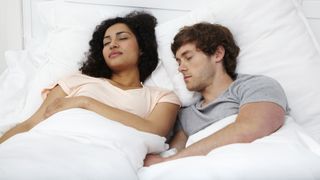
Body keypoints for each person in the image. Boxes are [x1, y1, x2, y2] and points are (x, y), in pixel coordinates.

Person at [0, 11, 180, 179]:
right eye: (106, 42)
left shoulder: (161, 96)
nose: (113, 44)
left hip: (103, 155)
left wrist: (85, 102)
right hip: (43, 144)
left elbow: (155, 130)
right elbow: (31, 123)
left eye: (122, 38)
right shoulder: (75, 81)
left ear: (142, 48)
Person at [144, 22, 289, 166]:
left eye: (188, 58)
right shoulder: (186, 116)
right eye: (178, 62)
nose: (180, 68)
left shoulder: (256, 86)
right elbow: (171, 158)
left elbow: (250, 128)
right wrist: (165, 161)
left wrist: (170, 161)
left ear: (218, 54)